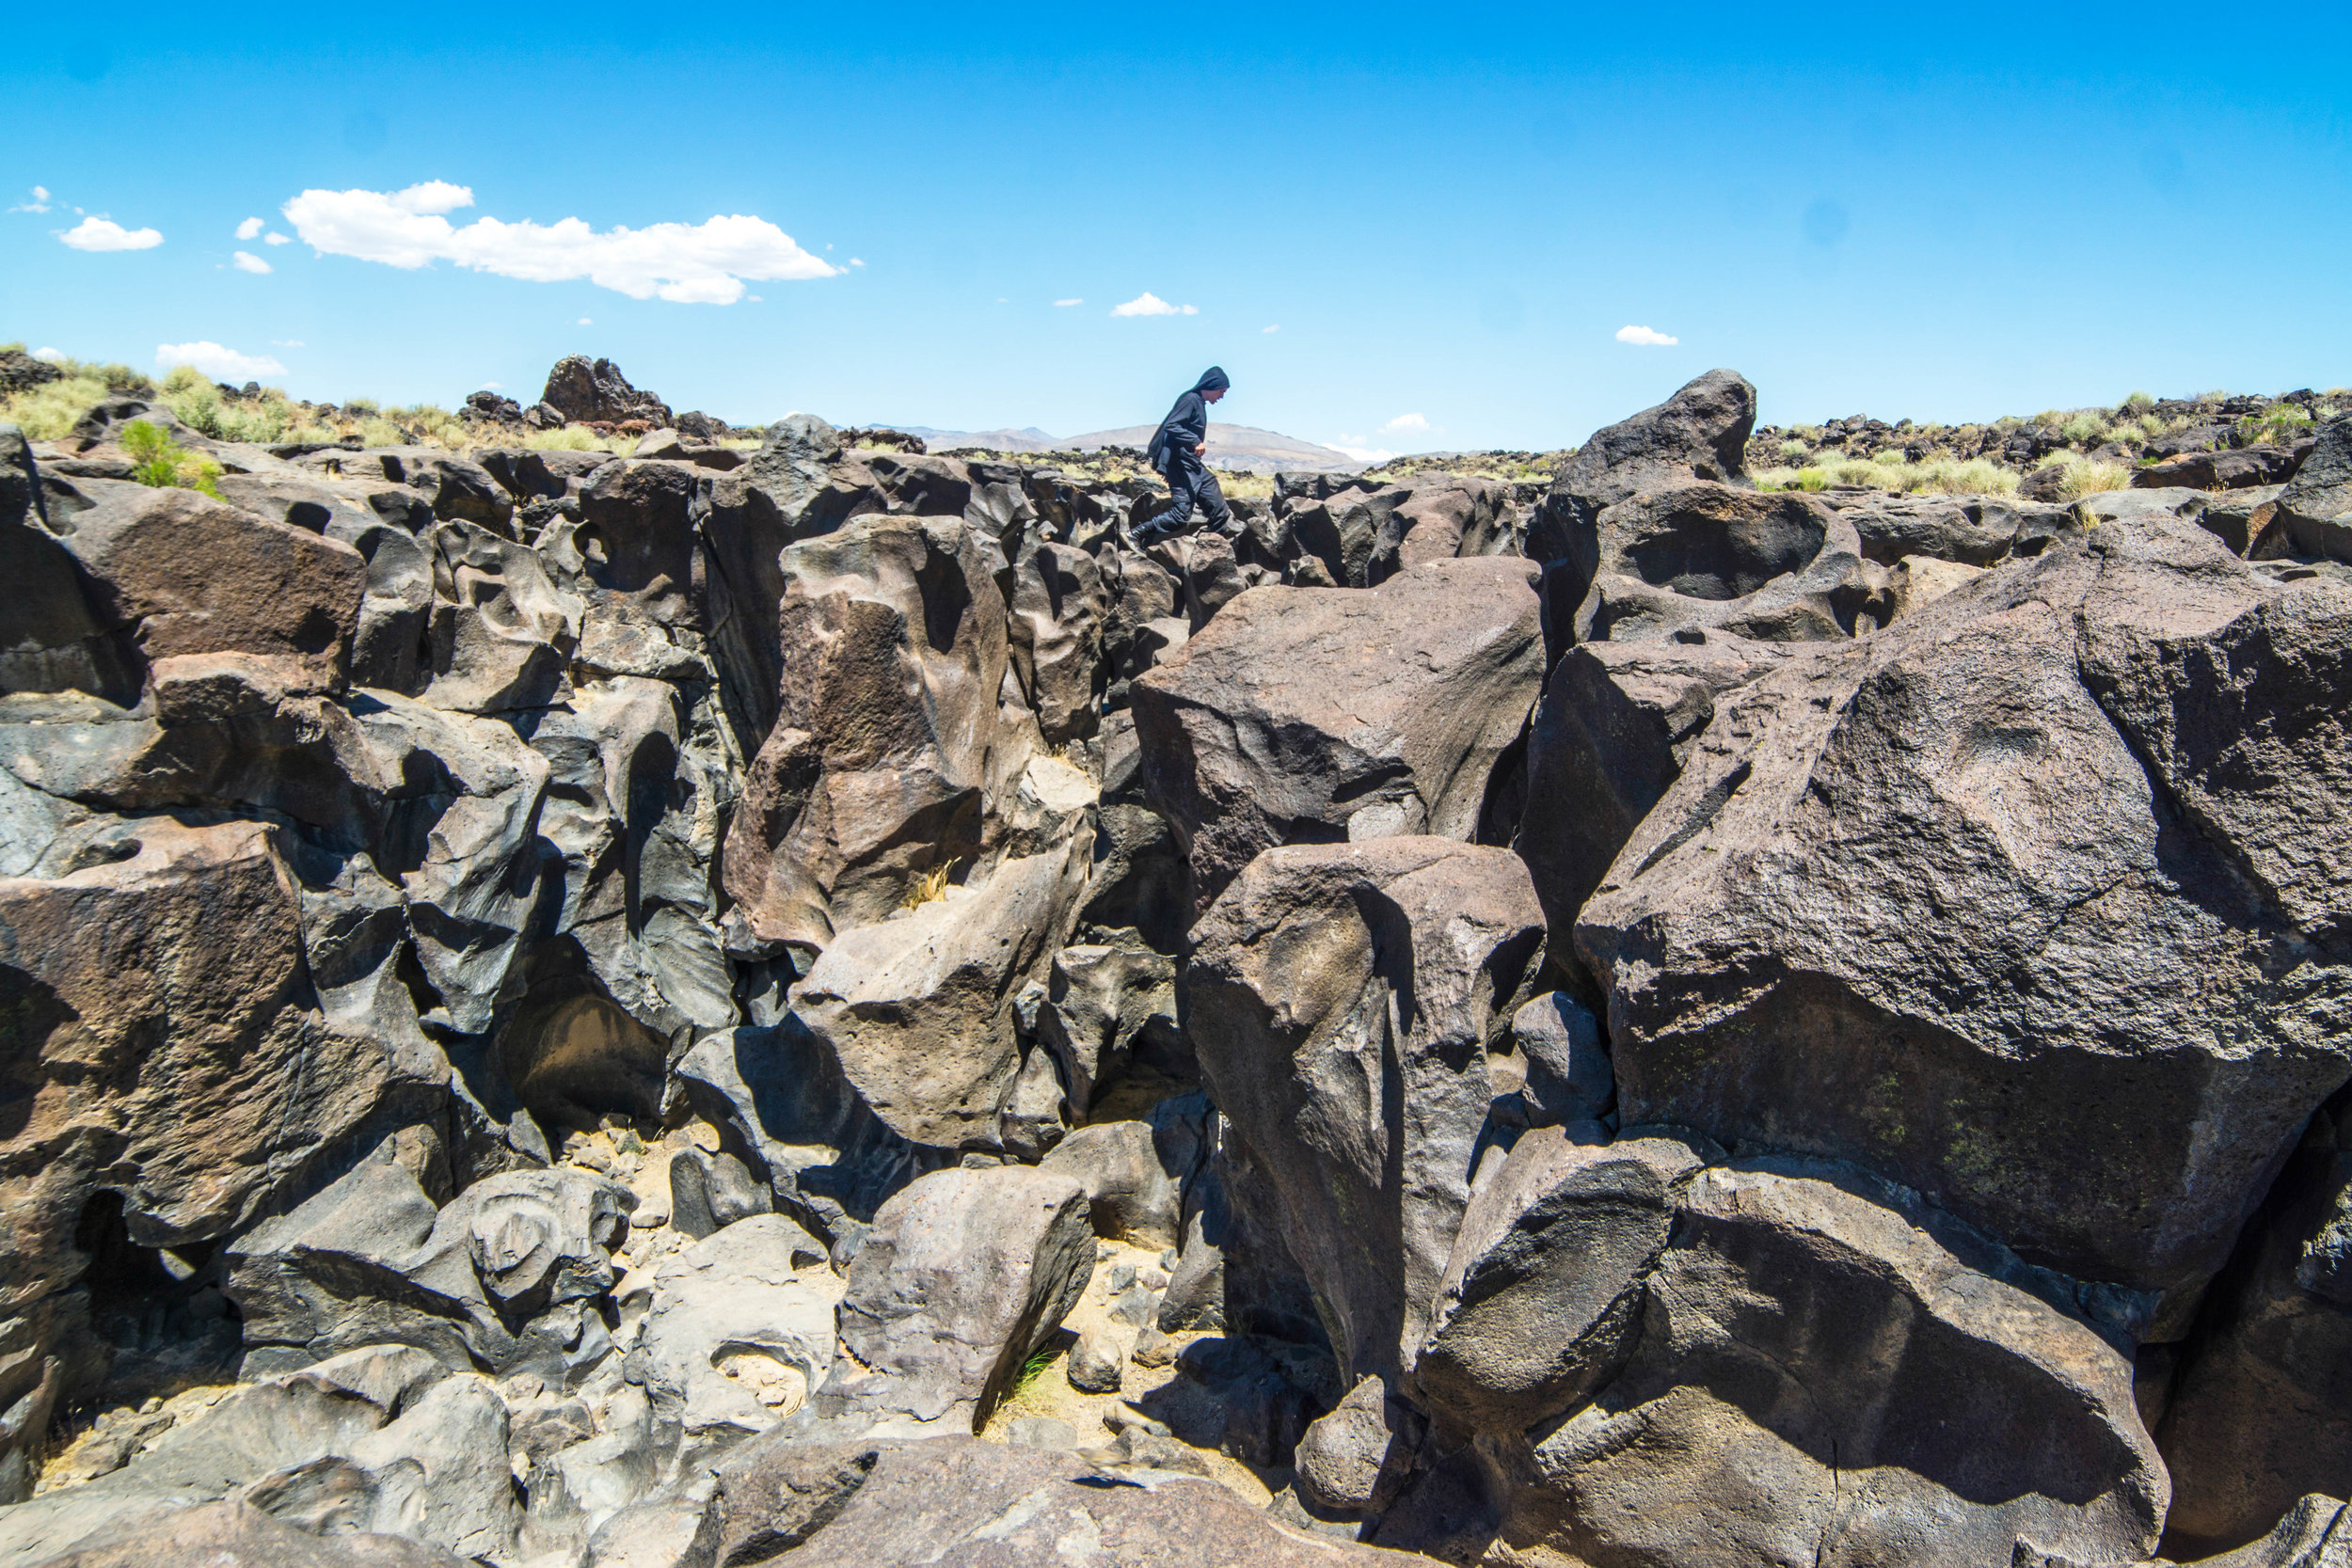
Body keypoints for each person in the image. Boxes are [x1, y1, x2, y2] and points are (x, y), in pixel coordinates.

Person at [1137, 367, 1234, 545]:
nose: (1221, 397)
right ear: (1212, 386)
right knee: (1181, 515)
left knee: (1220, 510)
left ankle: (1209, 546)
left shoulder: (1199, 403)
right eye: (1221, 391)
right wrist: (1194, 440)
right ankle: (1136, 535)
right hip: (1180, 465)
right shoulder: (1190, 400)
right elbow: (1172, 425)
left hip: (1192, 464)